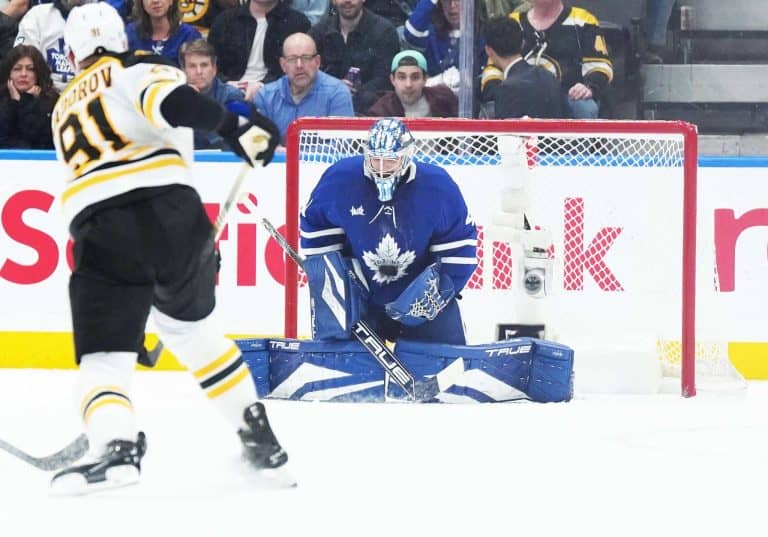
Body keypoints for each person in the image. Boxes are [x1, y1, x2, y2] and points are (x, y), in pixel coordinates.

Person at [49, 3, 287, 494]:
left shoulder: (62, 106)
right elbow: (176, 104)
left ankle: (116, 448)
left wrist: (118, 309)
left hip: (103, 228)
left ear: (72, 54)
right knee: (195, 333)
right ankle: (261, 441)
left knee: (104, 361)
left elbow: (92, 183)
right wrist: (236, 127)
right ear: (121, 37)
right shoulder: (139, 67)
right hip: (176, 216)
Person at [300, 118, 477, 346]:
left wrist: (441, 289)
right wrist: (335, 283)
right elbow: (316, 230)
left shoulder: (438, 187)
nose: (382, 169)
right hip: (359, 300)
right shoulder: (340, 180)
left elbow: (460, 247)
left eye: (390, 161)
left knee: (444, 367)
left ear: (406, 156)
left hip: (419, 302)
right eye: (376, 160)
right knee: (341, 368)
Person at [480, 0, 612, 119]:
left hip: (567, 99)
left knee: (584, 107)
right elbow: (493, 67)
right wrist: (501, 92)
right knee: (492, 108)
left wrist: (589, 87)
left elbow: (600, 66)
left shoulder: (583, 21)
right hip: (519, 96)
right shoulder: (514, 21)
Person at [254, 32, 353, 144]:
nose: (299, 65)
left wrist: (292, 154)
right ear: (283, 65)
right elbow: (257, 143)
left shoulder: (338, 93)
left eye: (306, 58)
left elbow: (341, 146)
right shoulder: (265, 96)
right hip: (278, 161)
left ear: (317, 62)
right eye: (292, 59)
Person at [207, 0, 310, 102]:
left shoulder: (298, 23)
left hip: (276, 94)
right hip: (226, 91)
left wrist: (263, 85)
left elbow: (300, 68)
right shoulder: (224, 21)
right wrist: (226, 83)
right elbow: (210, 62)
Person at [309, 0, 400, 113]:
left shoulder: (385, 32)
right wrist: (336, 89)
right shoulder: (318, 33)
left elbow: (384, 80)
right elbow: (310, 75)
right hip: (325, 108)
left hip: (369, 112)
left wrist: (352, 95)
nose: (348, 1)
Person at [483, 15, 568, 119]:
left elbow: (507, 134)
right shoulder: (548, 76)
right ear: (522, 43)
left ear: (488, 50)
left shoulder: (506, 89)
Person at [13, 0, 94, 91]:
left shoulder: (101, 16)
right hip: (44, 94)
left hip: (88, 93)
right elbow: (22, 61)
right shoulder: (38, 15)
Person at [179, 38, 245, 149]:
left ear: (214, 69)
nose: (199, 72)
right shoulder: (174, 98)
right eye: (192, 66)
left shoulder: (232, 96)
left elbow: (226, 143)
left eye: (204, 65)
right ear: (183, 70)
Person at [367, 49, 457, 118]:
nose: (408, 84)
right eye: (402, 77)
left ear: (425, 79)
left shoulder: (444, 99)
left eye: (415, 77)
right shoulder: (382, 111)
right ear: (392, 80)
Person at [0, 44, 58, 148]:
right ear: (9, 73)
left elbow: (35, 139)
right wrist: (15, 103)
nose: (23, 74)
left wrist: (26, 101)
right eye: (17, 69)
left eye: (30, 69)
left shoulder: (51, 101)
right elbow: (5, 138)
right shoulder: (2, 99)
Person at [126, 0, 202, 66]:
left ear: (171, 1)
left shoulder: (189, 35)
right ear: (141, 3)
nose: (155, 1)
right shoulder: (130, 33)